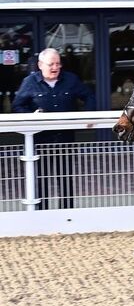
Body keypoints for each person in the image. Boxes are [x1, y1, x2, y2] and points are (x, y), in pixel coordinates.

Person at [12, 48, 96, 210]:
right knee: (41, 180)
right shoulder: (30, 82)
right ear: (40, 65)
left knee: (65, 179)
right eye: (51, 64)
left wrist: (87, 116)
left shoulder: (71, 79)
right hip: (40, 141)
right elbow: (17, 106)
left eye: (58, 64)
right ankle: (42, 214)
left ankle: (67, 213)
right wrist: (31, 116)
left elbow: (89, 96)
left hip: (65, 140)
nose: (55, 67)